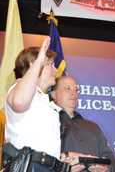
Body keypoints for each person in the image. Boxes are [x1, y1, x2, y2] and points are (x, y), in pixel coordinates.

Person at [4, 38, 80, 172]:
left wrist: (63, 161)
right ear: (33, 64)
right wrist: (40, 60)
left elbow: (42, 149)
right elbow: (19, 102)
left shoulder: (46, 101)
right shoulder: (18, 87)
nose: (55, 70)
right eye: (50, 64)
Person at [51, 75, 115, 172]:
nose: (73, 93)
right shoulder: (48, 122)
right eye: (67, 88)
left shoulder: (92, 126)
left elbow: (112, 161)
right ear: (53, 94)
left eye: (76, 90)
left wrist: (105, 168)